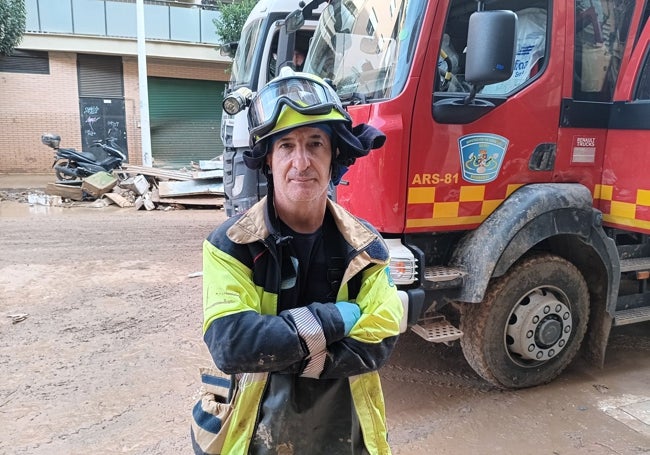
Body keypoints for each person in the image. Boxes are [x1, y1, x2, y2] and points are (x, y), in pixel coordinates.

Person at [193, 68, 403, 454]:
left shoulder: (366, 247)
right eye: (286, 145)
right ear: (268, 160)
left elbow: (379, 342)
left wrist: (277, 346)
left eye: (315, 143)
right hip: (256, 432)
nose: (301, 161)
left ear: (334, 153)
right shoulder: (231, 244)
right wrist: (338, 319)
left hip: (348, 433)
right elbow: (231, 343)